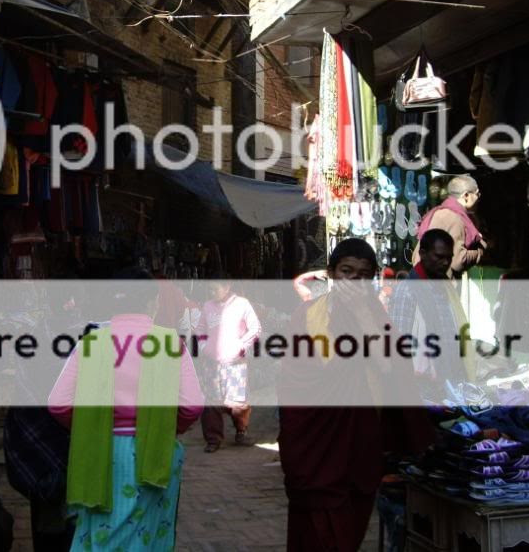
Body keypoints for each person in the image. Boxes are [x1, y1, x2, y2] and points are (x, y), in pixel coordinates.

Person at [278, 239, 433, 552]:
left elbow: (390, 368)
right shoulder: (308, 315)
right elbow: (293, 381)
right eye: (346, 271)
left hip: (359, 443)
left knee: (347, 535)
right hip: (314, 444)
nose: (353, 281)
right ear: (332, 273)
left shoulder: (376, 317)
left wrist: (362, 314)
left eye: (363, 275)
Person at [48, 267, 203, 551]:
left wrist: (89, 425)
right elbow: (192, 406)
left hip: (101, 450)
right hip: (157, 450)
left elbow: (58, 403)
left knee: (101, 533)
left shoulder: (91, 344)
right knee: (148, 536)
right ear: (152, 302)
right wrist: (167, 427)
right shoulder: (170, 343)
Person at [390, 229, 476, 386]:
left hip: (451, 381)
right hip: (423, 384)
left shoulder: (445, 288)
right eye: (439, 257)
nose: (445, 263)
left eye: (448, 258)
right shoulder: (407, 290)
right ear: (422, 254)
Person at [199, 278, 262, 452]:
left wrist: (241, 347)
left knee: (237, 401)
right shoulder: (207, 306)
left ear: (227, 286)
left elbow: (255, 328)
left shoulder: (242, 304)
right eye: (209, 289)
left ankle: (241, 431)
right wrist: (204, 347)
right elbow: (200, 330)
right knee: (211, 403)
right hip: (212, 364)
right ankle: (213, 439)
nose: (212, 292)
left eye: (215, 288)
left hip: (236, 363)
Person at [412, 175, 486, 277]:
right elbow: (458, 261)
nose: (478, 198)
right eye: (477, 194)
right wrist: (479, 252)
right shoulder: (454, 218)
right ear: (466, 196)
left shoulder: (440, 212)